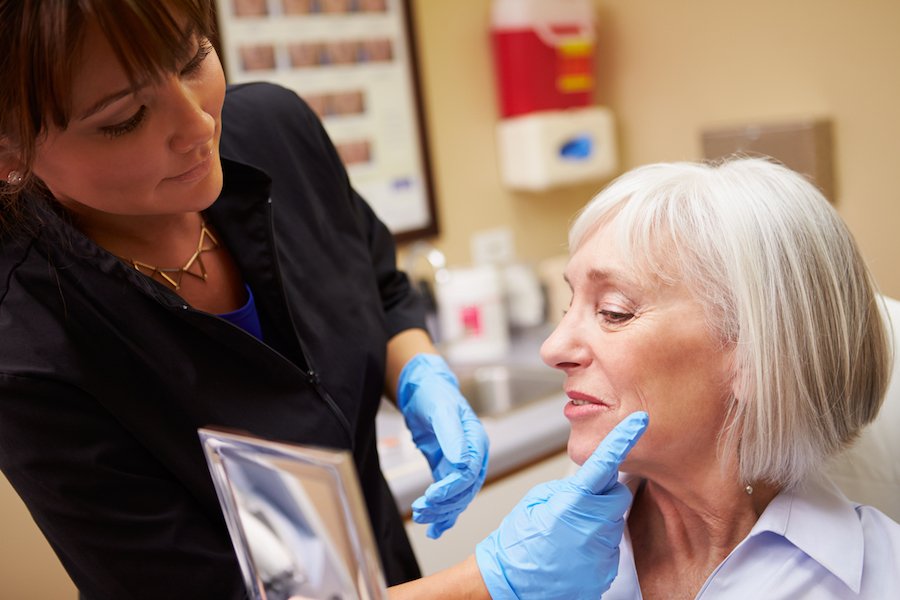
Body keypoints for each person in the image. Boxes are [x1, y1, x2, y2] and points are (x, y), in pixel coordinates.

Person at [0, 1, 493, 596]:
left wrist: (418, 369)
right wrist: (491, 581)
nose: (198, 125)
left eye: (192, 58)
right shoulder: (24, 345)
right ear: (11, 151)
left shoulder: (276, 132)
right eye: (126, 118)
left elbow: (376, 282)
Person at [524, 156, 900, 598]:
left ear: (757, 358)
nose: (552, 348)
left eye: (614, 311)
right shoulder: (547, 549)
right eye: (571, 305)